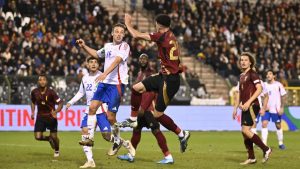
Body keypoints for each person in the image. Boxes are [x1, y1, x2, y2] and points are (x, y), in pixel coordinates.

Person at [119, 13, 190, 153]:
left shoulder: (161, 36)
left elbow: (136, 35)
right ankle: (133, 119)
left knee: (157, 115)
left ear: (159, 24)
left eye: (156, 23)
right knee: (136, 88)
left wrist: (127, 23)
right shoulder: (170, 35)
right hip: (164, 75)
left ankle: (182, 134)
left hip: (170, 80)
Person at [76, 23, 130, 156]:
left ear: (123, 35)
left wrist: (105, 73)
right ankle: (89, 137)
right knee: (92, 107)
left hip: (116, 84)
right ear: (112, 33)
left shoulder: (124, 46)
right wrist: (83, 46)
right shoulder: (107, 46)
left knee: (111, 118)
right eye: (116, 31)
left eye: (121, 32)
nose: (118, 34)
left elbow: (117, 60)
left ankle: (117, 140)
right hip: (104, 83)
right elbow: (96, 53)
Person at [117, 54, 174, 164]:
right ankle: (130, 155)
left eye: (145, 58)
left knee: (156, 130)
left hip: (148, 109)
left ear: (148, 61)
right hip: (141, 109)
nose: (142, 60)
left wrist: (143, 108)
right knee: (136, 131)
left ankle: (168, 156)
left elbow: (152, 92)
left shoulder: (150, 73)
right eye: (141, 58)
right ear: (138, 61)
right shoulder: (139, 73)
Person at [65, 57, 118, 168]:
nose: (93, 64)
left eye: (95, 62)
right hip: (89, 110)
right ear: (87, 65)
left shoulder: (104, 76)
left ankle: (120, 141)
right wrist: (70, 102)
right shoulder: (85, 78)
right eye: (91, 62)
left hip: (101, 109)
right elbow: (80, 93)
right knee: (85, 132)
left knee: (107, 137)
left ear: (98, 65)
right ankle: (90, 160)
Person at [232, 52, 272, 165]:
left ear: (250, 62)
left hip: (252, 105)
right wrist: (235, 108)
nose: (243, 62)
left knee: (246, 130)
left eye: (245, 60)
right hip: (244, 107)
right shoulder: (241, 76)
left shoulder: (253, 74)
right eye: (241, 60)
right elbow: (240, 93)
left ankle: (266, 149)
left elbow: (259, 89)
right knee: (244, 132)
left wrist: (248, 102)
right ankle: (252, 157)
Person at [30, 74, 63, 157]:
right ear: (38, 81)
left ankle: (57, 150)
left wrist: (55, 112)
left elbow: (60, 103)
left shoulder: (51, 92)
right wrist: (33, 112)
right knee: (37, 137)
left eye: (44, 80)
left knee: (54, 137)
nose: (42, 81)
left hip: (51, 117)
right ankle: (48, 139)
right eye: (40, 80)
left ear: (46, 81)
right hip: (40, 116)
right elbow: (33, 102)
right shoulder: (34, 92)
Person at [261, 70, 287, 149]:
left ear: (274, 76)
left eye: (270, 74)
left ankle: (280, 143)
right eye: (267, 74)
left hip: (276, 109)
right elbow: (262, 96)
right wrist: (264, 105)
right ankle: (264, 144)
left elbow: (283, 96)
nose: (268, 75)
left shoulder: (278, 85)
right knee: (264, 124)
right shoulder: (264, 85)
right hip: (266, 109)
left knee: (278, 125)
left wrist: (282, 107)